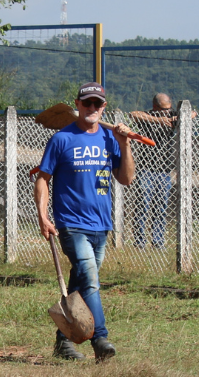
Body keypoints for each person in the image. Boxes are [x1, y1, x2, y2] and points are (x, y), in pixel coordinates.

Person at [34, 83, 139, 362]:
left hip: (101, 224)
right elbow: (43, 178)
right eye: (87, 103)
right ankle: (101, 339)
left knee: (81, 281)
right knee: (90, 279)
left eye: (97, 104)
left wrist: (124, 143)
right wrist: (43, 215)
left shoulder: (109, 138)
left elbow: (126, 178)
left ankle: (62, 342)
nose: (92, 108)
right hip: (70, 223)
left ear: (103, 107)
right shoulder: (62, 139)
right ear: (77, 105)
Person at [128, 94, 177, 250]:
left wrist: (174, 119)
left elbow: (193, 114)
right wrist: (158, 120)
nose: (166, 113)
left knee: (160, 207)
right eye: (163, 110)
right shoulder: (149, 117)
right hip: (146, 168)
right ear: (155, 107)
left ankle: (158, 241)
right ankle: (140, 242)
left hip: (164, 170)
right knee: (143, 204)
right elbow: (133, 114)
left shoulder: (172, 115)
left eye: (168, 110)